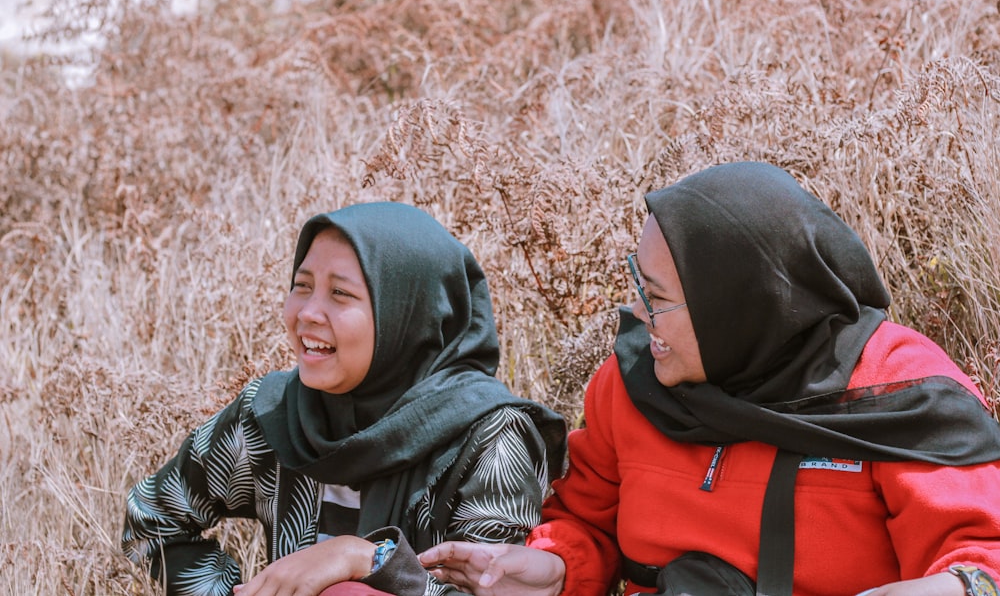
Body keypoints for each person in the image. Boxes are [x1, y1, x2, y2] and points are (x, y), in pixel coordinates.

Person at [419, 161, 1000, 596]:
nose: (640, 315)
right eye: (639, 284)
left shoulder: (899, 392)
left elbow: (981, 560)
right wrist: (554, 570)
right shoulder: (633, 384)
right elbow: (585, 524)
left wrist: (954, 588)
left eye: (661, 298)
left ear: (740, 308)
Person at [121, 201, 567, 596]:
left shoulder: (490, 435)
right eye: (302, 285)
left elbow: (490, 591)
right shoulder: (273, 415)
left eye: (340, 293)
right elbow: (151, 520)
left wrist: (365, 559)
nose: (308, 313)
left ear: (408, 314)